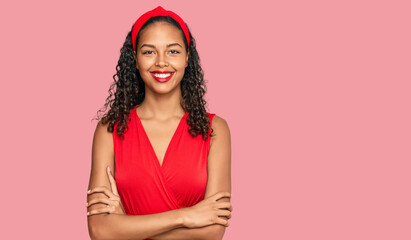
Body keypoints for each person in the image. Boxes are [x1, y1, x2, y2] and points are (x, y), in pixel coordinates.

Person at [86, 6, 232, 240]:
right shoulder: (110, 129)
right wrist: (186, 217)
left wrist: (125, 226)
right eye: (149, 52)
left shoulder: (214, 130)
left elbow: (213, 231)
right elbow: (100, 231)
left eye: (173, 51)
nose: (161, 62)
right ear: (135, 59)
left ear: (187, 58)